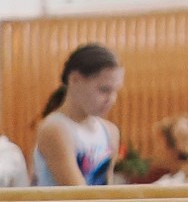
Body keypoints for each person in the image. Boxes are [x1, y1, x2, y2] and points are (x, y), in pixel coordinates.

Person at [33, 43, 125, 186]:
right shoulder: (55, 129)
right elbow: (78, 193)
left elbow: (107, 189)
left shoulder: (110, 131)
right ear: (75, 79)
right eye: (104, 90)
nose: (111, 99)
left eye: (115, 91)